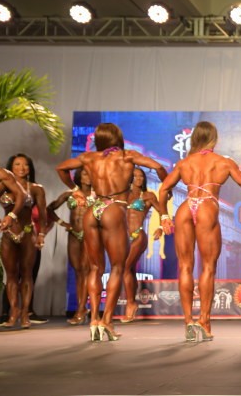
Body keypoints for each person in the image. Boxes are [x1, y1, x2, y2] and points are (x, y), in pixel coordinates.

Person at [57, 123, 168, 341]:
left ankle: (93, 320)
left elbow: (61, 168)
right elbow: (156, 166)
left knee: (95, 268)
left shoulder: (90, 157)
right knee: (117, 267)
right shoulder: (127, 156)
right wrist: (166, 184)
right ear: (118, 138)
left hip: (94, 209)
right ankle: (106, 321)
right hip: (114, 208)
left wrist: (75, 189)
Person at [158, 121, 241, 341]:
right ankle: (204, 321)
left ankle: (188, 322)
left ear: (195, 138)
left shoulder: (185, 163)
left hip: (186, 207)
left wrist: (164, 216)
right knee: (208, 268)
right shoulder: (223, 162)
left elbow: (164, 188)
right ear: (214, 139)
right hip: (207, 207)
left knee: (185, 266)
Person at [46, 168, 92, 324]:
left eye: (91, 174)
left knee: (85, 271)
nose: (88, 177)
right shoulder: (69, 194)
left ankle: (81, 309)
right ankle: (82, 307)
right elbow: (49, 209)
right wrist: (63, 223)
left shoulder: (98, 195)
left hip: (89, 235)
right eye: (85, 174)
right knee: (78, 270)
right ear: (79, 176)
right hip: (73, 234)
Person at [0, 156, 40, 329]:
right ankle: (13, 312)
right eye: (17, 164)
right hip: (8, 234)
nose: (22, 167)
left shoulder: (3, 175)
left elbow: (23, 197)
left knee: (26, 273)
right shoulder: (2, 184)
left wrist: (11, 215)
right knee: (10, 275)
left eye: (25, 164)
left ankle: (24, 313)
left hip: (27, 232)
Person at [122, 168, 163, 323]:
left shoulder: (148, 196)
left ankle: (130, 304)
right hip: (123, 237)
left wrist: (160, 228)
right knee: (130, 269)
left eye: (141, 176)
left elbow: (162, 212)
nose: (139, 179)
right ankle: (132, 302)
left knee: (125, 268)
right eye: (135, 176)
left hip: (138, 235)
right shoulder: (123, 195)